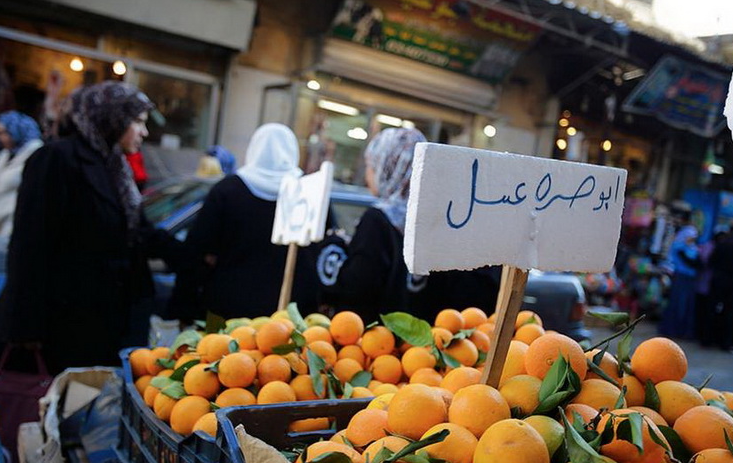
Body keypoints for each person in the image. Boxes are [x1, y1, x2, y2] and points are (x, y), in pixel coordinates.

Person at [0, 82, 183, 374]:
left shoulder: (115, 166)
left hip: (104, 320)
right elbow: (29, 245)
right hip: (62, 322)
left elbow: (139, 232)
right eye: (138, 122)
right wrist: (26, 327)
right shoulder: (57, 159)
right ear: (112, 119)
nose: (144, 133)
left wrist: (199, 255)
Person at [319, 127, 499, 324]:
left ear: (389, 167)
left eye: (371, 165)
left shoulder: (379, 220)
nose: (367, 175)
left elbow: (357, 289)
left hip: (375, 343)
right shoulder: (439, 219)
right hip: (421, 343)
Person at [168, 123, 321, 321]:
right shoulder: (307, 192)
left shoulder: (227, 191)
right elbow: (319, 251)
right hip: (288, 314)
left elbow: (198, 250)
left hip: (228, 309)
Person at [659, 225, 700, 339]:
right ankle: (672, 330)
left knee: (686, 306)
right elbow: (689, 262)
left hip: (690, 280)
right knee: (678, 304)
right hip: (680, 278)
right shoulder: (678, 247)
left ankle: (682, 331)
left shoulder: (693, 248)